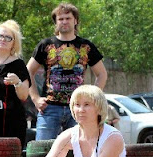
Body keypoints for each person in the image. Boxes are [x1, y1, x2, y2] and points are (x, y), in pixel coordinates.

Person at [27, 3, 107, 140]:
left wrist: (92, 98)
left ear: (75, 21)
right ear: (56, 22)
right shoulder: (45, 45)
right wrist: (35, 98)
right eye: (61, 19)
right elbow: (28, 72)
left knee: (80, 150)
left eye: (68, 18)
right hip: (49, 108)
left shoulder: (86, 46)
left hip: (78, 110)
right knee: (42, 151)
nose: (64, 22)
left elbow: (102, 74)